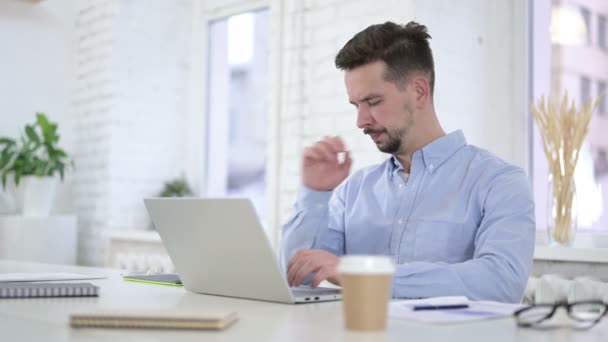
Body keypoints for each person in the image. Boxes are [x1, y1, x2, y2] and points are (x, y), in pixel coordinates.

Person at [280, 21, 535, 303]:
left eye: (373, 102)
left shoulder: (499, 182)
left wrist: (363, 275)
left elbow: (500, 282)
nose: (361, 121)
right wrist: (314, 196)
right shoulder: (353, 191)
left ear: (419, 92)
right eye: (356, 105)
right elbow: (298, 278)